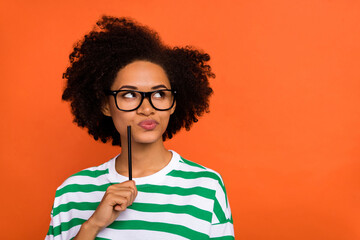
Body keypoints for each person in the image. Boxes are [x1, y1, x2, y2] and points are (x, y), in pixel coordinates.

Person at [46, 15, 234, 240]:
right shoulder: (73, 192)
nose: (147, 108)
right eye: (129, 94)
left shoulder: (206, 187)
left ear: (173, 103)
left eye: (159, 94)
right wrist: (92, 226)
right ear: (106, 106)